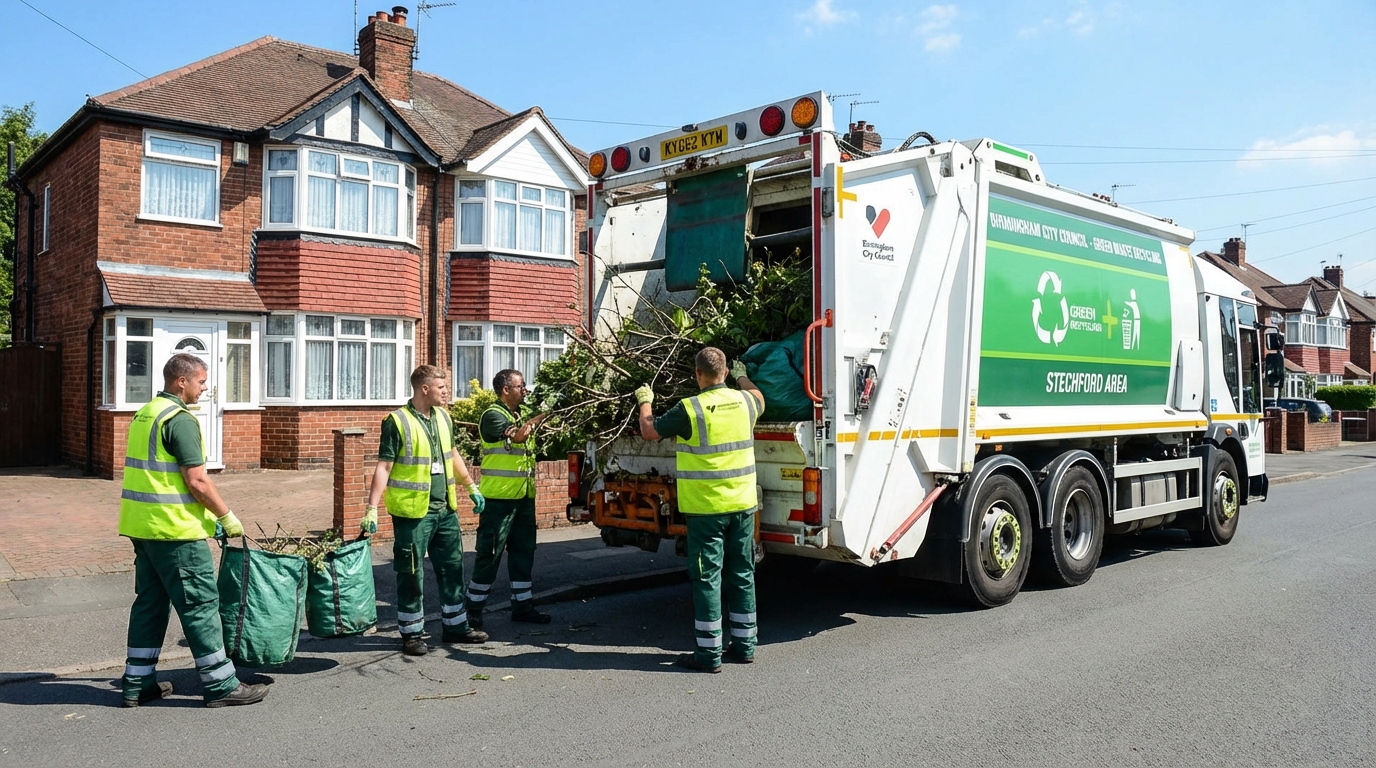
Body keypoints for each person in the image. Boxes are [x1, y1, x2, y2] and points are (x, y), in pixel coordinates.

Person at [118, 353, 268, 708]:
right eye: (201, 381)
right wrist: (226, 515)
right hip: (176, 534)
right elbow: (197, 480)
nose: (206, 388)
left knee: (150, 605)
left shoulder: (146, 413)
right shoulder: (180, 420)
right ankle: (220, 685)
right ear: (180, 381)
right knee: (200, 605)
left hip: (144, 529)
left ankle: (137, 683)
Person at [637, 348, 764, 673]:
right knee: (742, 574)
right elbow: (757, 394)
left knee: (707, 578)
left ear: (697, 374)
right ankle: (745, 646)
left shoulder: (690, 409)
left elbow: (650, 430)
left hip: (707, 509)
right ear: (724, 372)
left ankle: (709, 655)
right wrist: (742, 375)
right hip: (743, 505)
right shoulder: (746, 402)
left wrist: (645, 400)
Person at [364, 365, 489, 656]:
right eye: (441, 387)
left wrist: (471, 486)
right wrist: (371, 508)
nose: (446, 392)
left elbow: (452, 454)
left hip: (445, 509)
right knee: (410, 572)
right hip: (412, 514)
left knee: (452, 568)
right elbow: (384, 466)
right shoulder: (397, 422)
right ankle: (411, 634)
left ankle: (456, 626)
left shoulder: (444, 417)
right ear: (424, 388)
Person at [466, 369, 551, 629]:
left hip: (523, 499)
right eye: (520, 386)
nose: (524, 390)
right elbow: (519, 436)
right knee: (489, 556)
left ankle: (522, 607)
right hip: (498, 502)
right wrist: (547, 410)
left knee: (523, 554)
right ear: (506, 389)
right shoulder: (493, 415)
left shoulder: (518, 414)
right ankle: (473, 610)